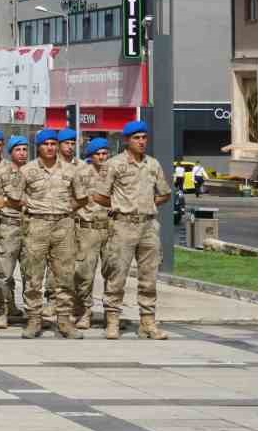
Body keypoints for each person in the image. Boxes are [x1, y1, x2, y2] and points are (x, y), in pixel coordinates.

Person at [95, 120, 172, 340]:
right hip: (123, 225)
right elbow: (100, 195)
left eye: (144, 137)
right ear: (127, 140)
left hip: (148, 225)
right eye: (136, 138)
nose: (141, 141)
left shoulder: (153, 164)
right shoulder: (114, 164)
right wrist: (121, 207)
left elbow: (164, 193)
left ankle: (147, 322)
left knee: (149, 276)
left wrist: (147, 204)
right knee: (117, 275)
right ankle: (112, 321)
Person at [19, 129, 80, 339]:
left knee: (64, 274)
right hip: (37, 224)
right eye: (46, 144)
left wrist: (65, 208)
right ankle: (34, 319)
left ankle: (64, 320)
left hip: (63, 224)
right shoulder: (27, 171)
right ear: (39, 146)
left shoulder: (71, 171)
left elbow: (81, 198)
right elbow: (15, 197)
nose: (51, 147)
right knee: (33, 274)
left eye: (54, 143)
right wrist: (32, 208)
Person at [70, 139, 113, 329]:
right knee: (84, 273)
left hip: (110, 227)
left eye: (105, 153)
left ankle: (111, 314)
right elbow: (72, 200)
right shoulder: (80, 173)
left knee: (112, 272)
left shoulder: (115, 172)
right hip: (87, 228)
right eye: (98, 154)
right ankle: (85, 311)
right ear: (91, 155)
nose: (102, 157)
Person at [0, 136, 30, 328]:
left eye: (25, 149)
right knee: (5, 273)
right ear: (11, 152)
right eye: (18, 150)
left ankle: (32, 312)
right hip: (9, 226)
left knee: (31, 273)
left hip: (31, 227)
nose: (22, 153)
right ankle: (2, 311)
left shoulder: (34, 172)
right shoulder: (0, 173)